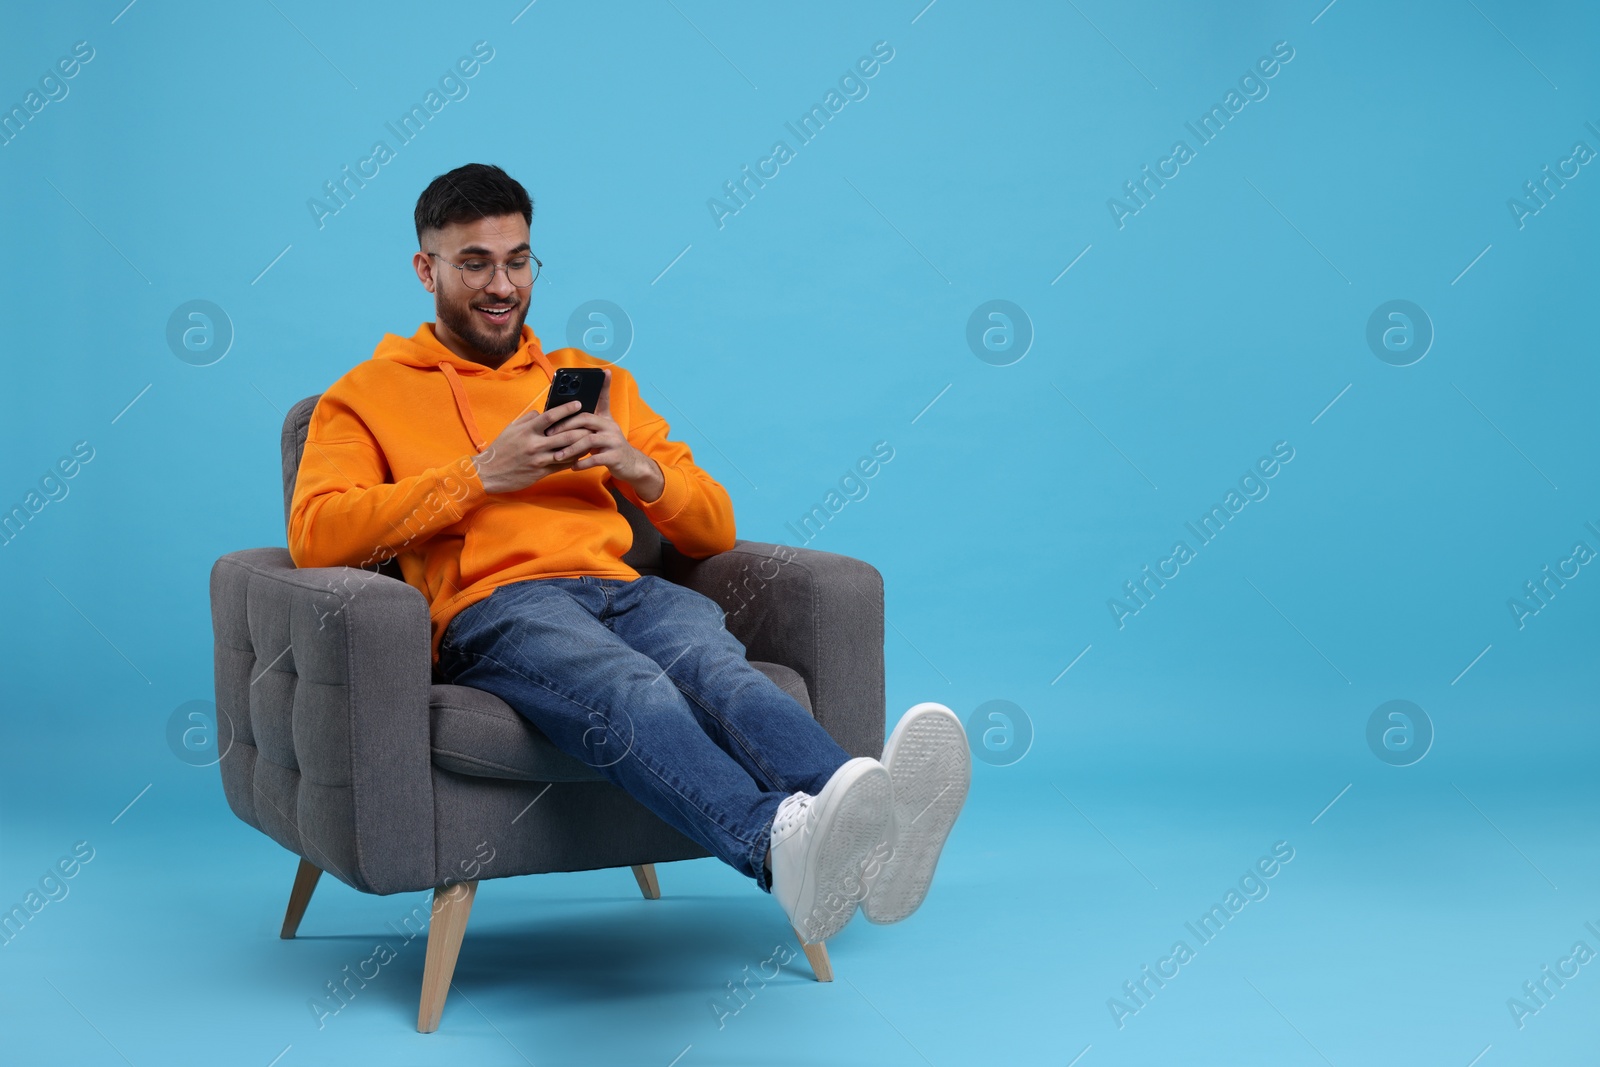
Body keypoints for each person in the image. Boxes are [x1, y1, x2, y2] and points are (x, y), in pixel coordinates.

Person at [287, 162, 968, 944]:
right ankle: (778, 849)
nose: (501, 284)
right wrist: (479, 476)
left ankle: (872, 832)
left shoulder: (597, 380)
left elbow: (712, 527)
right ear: (426, 268)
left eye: (517, 260)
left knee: (721, 674)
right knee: (632, 687)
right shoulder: (363, 395)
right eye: (474, 262)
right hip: (498, 609)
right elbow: (316, 535)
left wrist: (635, 466)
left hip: (625, 590)